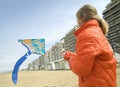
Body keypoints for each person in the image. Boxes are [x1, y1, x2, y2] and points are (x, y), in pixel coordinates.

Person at [64, 4, 116, 87]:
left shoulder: (86, 34)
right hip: (106, 82)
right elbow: (91, 58)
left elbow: (81, 68)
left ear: (81, 19)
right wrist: (72, 55)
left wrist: (70, 59)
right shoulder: (97, 32)